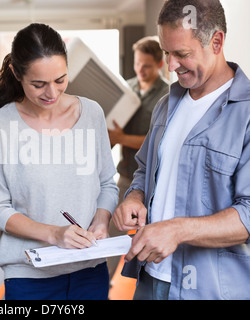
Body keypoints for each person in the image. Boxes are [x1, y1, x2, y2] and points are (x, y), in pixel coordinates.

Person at [112, 0, 250, 300]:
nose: (171, 66)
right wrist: (133, 197)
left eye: (181, 54)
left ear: (216, 42)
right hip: (150, 278)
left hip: (211, 289)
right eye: (166, 53)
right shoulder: (166, 105)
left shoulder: (247, 115)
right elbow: (145, 170)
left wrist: (177, 230)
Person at [0, 23, 119, 300]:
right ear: (16, 74)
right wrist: (55, 234)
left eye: (60, 80)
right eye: (38, 84)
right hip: (29, 275)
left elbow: (107, 183)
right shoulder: (1, 124)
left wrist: (101, 220)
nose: (52, 94)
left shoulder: (91, 113)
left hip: (89, 270)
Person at [106, 37, 170, 290]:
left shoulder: (168, 96)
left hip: (155, 183)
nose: (141, 71)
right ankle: (102, 288)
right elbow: (112, 129)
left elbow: (156, 141)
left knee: (148, 242)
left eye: (147, 66)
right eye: (137, 65)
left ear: (160, 64)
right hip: (125, 177)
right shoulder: (125, 91)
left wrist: (121, 138)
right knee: (111, 237)